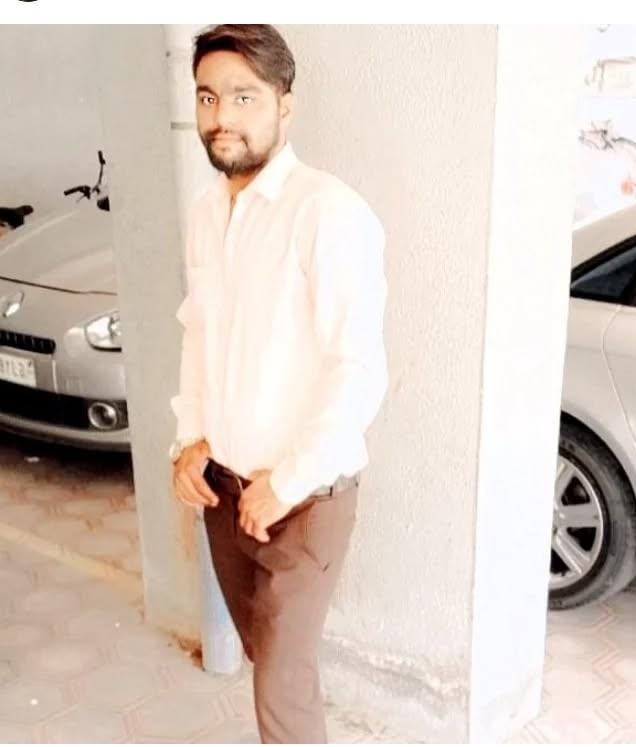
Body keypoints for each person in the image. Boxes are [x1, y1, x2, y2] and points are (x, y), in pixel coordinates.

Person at [168, 24, 388, 744]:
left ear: (284, 106)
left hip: (303, 500)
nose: (221, 116)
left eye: (243, 97)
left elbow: (358, 369)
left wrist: (286, 482)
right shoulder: (206, 213)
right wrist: (188, 440)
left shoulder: (328, 213)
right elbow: (199, 335)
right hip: (224, 495)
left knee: (282, 691)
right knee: (270, 657)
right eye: (208, 97)